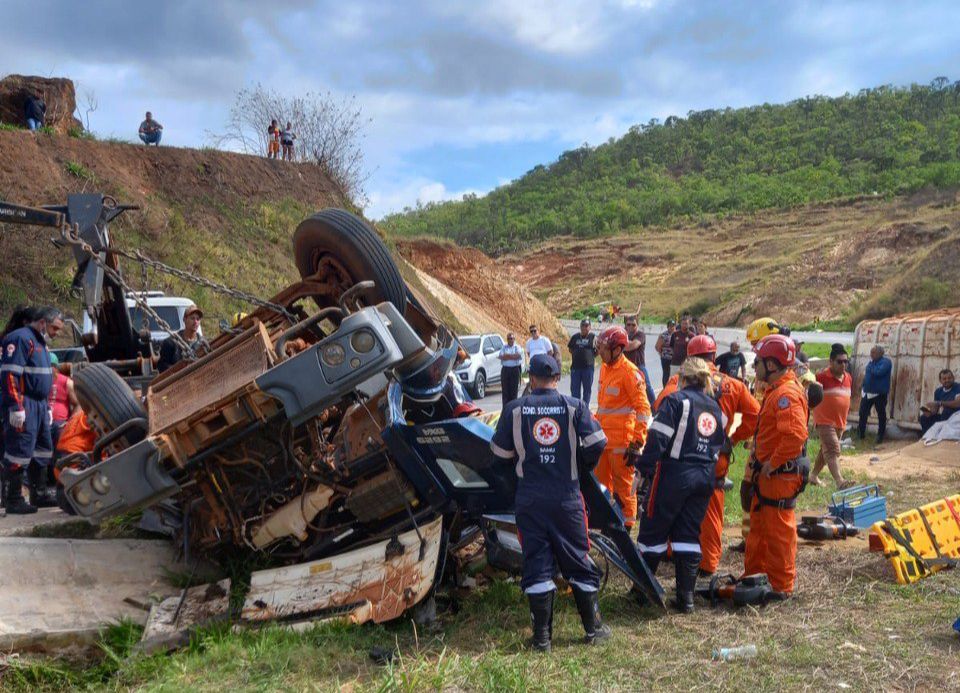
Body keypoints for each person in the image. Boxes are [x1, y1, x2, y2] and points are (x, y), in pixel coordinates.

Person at [489, 354, 610, 651]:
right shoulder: (574, 406)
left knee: (537, 561)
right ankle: (593, 629)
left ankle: (542, 638)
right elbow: (598, 442)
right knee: (578, 558)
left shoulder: (514, 410)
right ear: (557, 378)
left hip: (530, 498)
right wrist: (581, 466)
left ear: (531, 378)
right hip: (566, 496)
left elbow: (499, 456)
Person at [652, 334, 760, 577]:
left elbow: (659, 404)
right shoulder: (732, 385)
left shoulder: (679, 380)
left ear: (690, 357)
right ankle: (708, 563)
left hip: (682, 455)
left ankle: (671, 551)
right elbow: (756, 415)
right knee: (711, 510)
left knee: (675, 506)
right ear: (713, 357)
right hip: (714, 457)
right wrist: (732, 438)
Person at [632, 357, 726, 612]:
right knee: (688, 534)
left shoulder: (676, 400)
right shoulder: (715, 407)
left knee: (653, 531)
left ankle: (643, 592)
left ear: (682, 378)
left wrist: (643, 469)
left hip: (674, 473)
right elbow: (720, 443)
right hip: (704, 476)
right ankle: (686, 598)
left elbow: (658, 438)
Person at [743, 334, 809, 598]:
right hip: (768, 475)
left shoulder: (786, 395)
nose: (754, 367)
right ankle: (754, 577)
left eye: (758, 361)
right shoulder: (775, 391)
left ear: (772, 364)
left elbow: (795, 436)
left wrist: (773, 463)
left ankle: (781, 586)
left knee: (779, 529)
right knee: (759, 528)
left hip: (780, 476)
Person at [2, 306, 63, 514]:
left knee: (42, 449)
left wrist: (46, 407)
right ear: (43, 323)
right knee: (19, 450)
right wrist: (15, 407)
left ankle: (40, 493)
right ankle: (13, 498)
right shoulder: (20, 339)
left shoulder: (41, 343)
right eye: (55, 328)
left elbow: (42, 378)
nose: (56, 333)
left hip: (39, 405)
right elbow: (10, 375)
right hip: (24, 403)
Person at [594, 326, 650, 527]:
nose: (600, 351)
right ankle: (607, 527)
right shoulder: (604, 368)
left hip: (622, 445)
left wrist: (636, 443)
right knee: (600, 489)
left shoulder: (630, 373)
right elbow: (604, 407)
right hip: (603, 442)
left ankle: (626, 531)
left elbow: (644, 409)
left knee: (625, 491)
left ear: (617, 350)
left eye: (603, 348)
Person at [809, 346, 854, 488]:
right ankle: (840, 482)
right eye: (839, 362)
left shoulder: (848, 378)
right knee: (833, 449)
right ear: (831, 362)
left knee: (825, 451)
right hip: (824, 420)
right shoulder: (820, 378)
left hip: (840, 422)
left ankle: (813, 475)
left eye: (846, 362)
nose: (843, 365)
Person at [157, 305, 209, 373]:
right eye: (192, 318)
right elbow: (162, 367)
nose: (195, 322)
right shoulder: (171, 343)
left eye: (198, 319)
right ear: (184, 319)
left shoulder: (203, 344)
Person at [859, 345, 892, 443]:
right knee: (862, 413)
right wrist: (863, 385)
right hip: (867, 392)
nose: (871, 354)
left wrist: (870, 369)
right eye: (871, 352)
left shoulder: (886, 362)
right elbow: (868, 374)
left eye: (873, 352)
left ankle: (880, 435)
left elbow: (879, 372)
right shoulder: (871, 363)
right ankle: (861, 434)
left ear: (880, 353)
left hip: (879, 394)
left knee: (881, 415)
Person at [623, 316, 656, 406]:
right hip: (626, 367)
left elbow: (632, 346)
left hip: (638, 366)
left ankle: (655, 410)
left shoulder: (640, 335)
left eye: (633, 325)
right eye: (628, 324)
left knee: (647, 388)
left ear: (637, 325)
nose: (630, 327)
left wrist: (622, 344)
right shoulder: (623, 334)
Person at [919, 369, 960, 434]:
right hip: (945, 417)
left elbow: (958, 403)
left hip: (957, 418)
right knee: (923, 418)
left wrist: (940, 403)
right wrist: (928, 411)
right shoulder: (938, 391)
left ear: (953, 378)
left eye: (949, 378)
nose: (947, 380)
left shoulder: (958, 387)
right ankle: (927, 437)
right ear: (940, 381)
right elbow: (935, 410)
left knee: (947, 411)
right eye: (944, 379)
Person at [567, 319, 596, 403]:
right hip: (576, 368)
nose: (584, 327)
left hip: (588, 368)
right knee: (575, 390)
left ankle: (585, 409)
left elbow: (597, 350)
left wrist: (589, 356)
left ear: (590, 327)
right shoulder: (575, 337)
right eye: (583, 325)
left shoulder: (593, 337)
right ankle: (576, 408)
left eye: (586, 326)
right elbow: (570, 349)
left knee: (587, 390)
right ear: (580, 327)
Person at [497, 332, 524, 406]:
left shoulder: (517, 347)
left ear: (514, 339)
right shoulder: (504, 347)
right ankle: (506, 409)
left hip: (514, 369)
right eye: (509, 339)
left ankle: (513, 408)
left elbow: (518, 356)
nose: (510, 340)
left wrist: (507, 356)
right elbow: (501, 356)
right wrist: (512, 356)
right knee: (505, 391)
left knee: (514, 391)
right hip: (505, 370)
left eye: (511, 338)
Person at [655, 320, 675, 388]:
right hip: (666, 358)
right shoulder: (663, 335)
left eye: (673, 326)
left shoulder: (677, 334)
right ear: (667, 327)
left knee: (674, 375)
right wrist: (661, 354)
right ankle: (665, 389)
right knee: (666, 374)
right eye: (670, 326)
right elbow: (657, 346)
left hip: (675, 359)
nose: (671, 327)